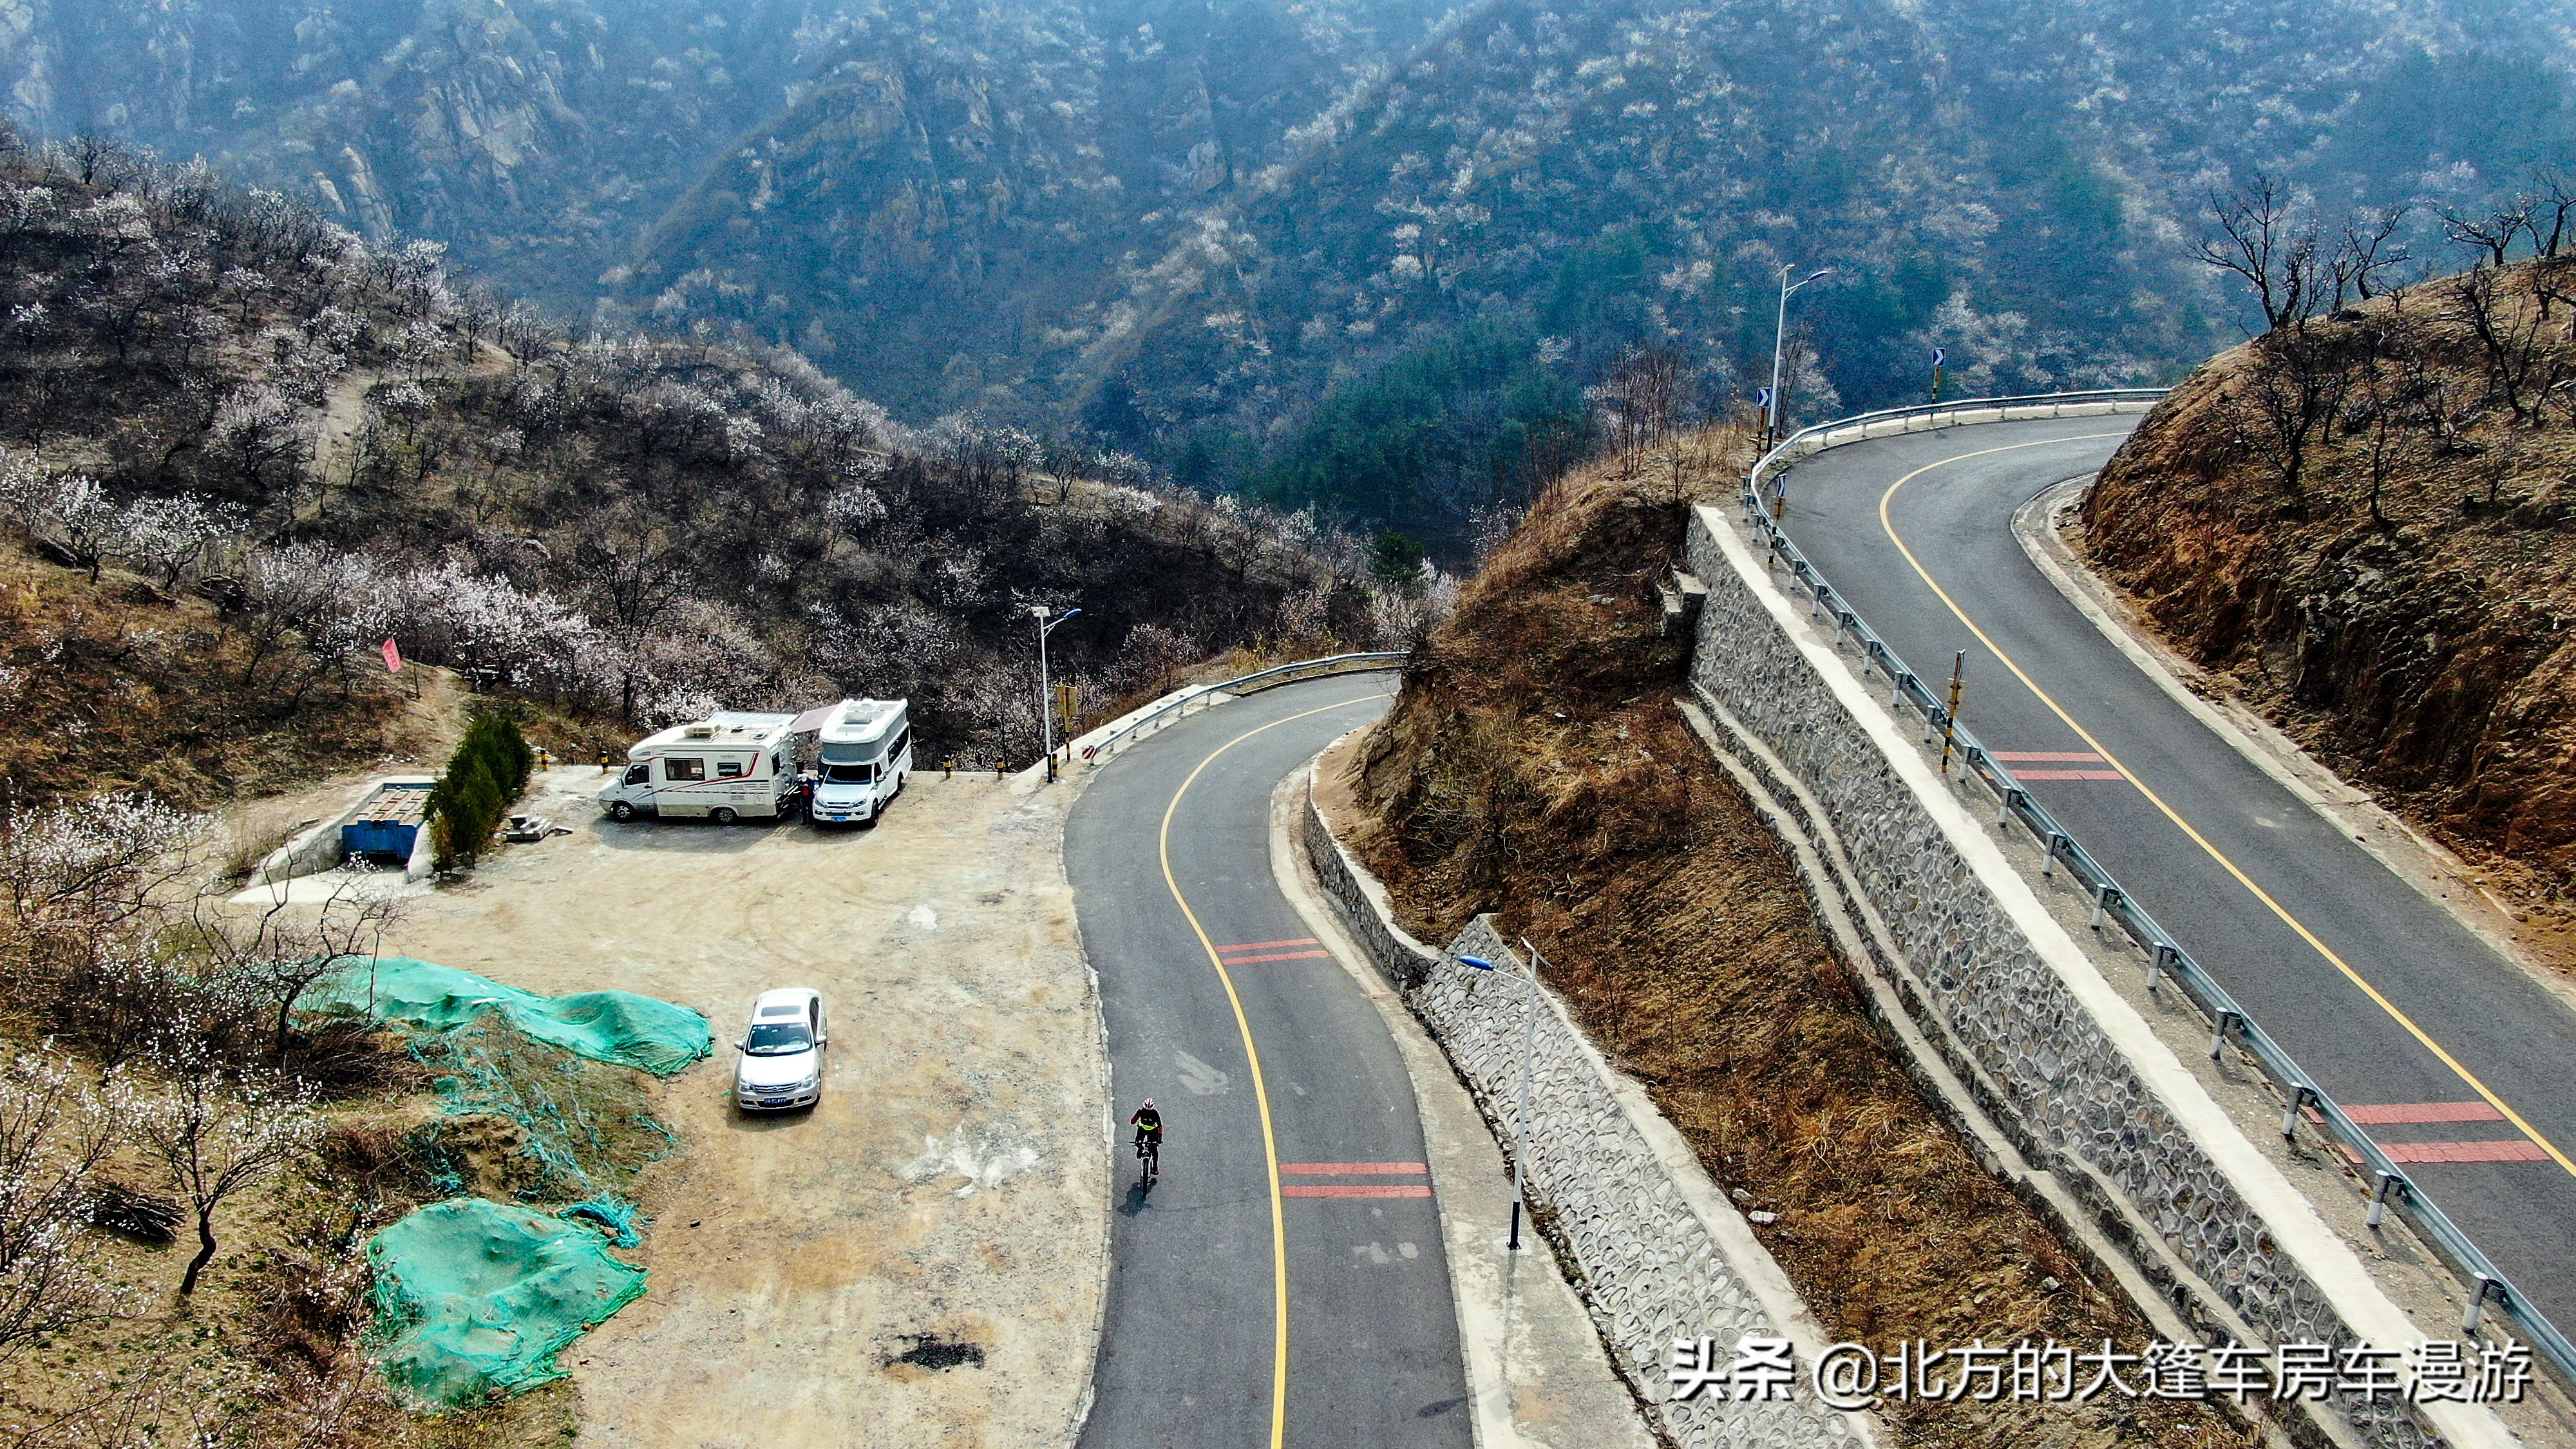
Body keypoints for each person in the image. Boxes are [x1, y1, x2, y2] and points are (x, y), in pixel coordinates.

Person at [1130, 1099, 1162, 1171]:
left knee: (1154, 1149)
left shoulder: (1155, 1113)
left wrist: (1159, 1137)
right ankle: (1140, 1150)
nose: (1147, 1113)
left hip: (1153, 1131)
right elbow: (1133, 1121)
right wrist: (1135, 1118)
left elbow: (1160, 1126)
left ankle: (1155, 1167)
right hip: (1142, 1130)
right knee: (1138, 1143)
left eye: (1149, 1112)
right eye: (1146, 1111)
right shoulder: (1140, 1111)